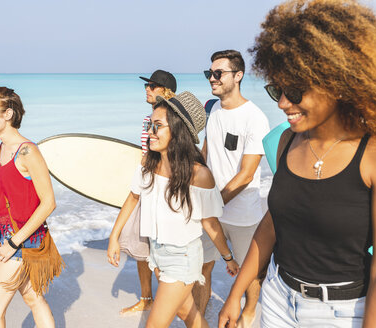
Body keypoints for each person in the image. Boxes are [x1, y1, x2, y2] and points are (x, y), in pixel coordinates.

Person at [218, 0, 376, 327]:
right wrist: (237, 291)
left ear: (338, 83)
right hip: (277, 298)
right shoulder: (287, 141)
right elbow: (275, 223)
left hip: (345, 312)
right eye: (277, 89)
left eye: (295, 90)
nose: (283, 103)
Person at [108, 91, 240, 328]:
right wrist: (114, 237)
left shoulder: (199, 175)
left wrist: (227, 257)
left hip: (183, 258)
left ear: (178, 132)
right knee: (187, 313)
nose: (150, 132)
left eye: (157, 126)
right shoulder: (147, 166)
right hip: (156, 253)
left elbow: (210, 223)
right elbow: (132, 199)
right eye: (150, 124)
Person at [193, 49, 269, 327]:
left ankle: (248, 313)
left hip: (242, 213)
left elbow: (247, 174)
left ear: (238, 76)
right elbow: (206, 153)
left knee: (249, 271)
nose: (211, 78)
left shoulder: (254, 117)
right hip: (210, 210)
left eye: (218, 73)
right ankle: (199, 316)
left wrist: (214, 202)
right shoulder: (212, 109)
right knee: (202, 266)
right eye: (209, 73)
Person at [0, 87, 63, 328]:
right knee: (34, 299)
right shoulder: (4, 147)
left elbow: (49, 203)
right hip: (13, 238)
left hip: (22, 242)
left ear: (8, 114)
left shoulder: (27, 151)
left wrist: (13, 242)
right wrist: (0, 235)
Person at [117, 70, 177, 315]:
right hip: (147, 185)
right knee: (142, 248)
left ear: (166, 90)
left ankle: (170, 301)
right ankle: (146, 298)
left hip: (165, 189)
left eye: (153, 85)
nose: (147, 89)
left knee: (162, 249)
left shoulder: (173, 117)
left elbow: (177, 152)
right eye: (147, 85)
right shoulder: (148, 117)